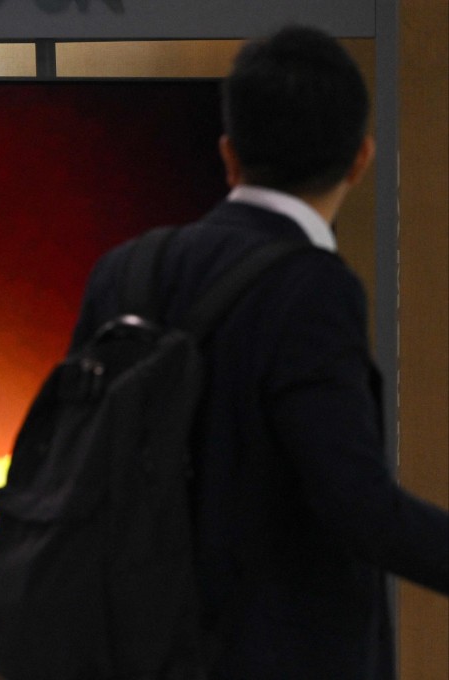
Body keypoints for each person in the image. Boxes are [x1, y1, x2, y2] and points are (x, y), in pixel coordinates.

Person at [67, 25, 449, 679]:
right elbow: (355, 504)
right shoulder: (314, 291)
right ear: (359, 159)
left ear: (229, 154)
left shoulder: (123, 271)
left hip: (127, 654)